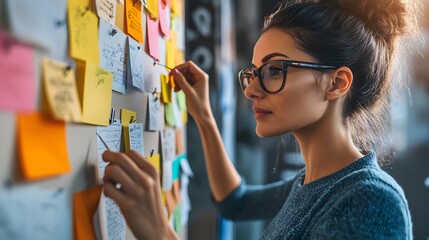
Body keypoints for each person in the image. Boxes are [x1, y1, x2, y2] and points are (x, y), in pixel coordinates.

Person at [101, 0, 420, 239]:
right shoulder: (313, 182)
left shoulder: (371, 201)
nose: (251, 89)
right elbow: (235, 202)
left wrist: (160, 232)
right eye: (253, 73)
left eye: (274, 70)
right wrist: (203, 114)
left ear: (336, 83)